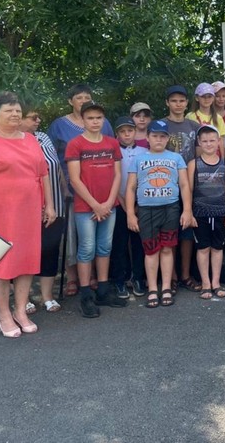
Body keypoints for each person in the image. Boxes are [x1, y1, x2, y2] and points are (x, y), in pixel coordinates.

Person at [0, 92, 55, 337]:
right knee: (0, 264)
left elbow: (43, 174)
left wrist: (49, 205)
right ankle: (4, 314)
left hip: (29, 213)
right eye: (8, 110)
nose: (15, 114)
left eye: (17, 110)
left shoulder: (30, 140)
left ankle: (20, 310)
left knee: (27, 262)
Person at [48, 84, 115, 296]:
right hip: (72, 189)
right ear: (71, 101)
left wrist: (107, 201)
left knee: (101, 242)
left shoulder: (105, 126)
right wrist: (63, 186)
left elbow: (114, 162)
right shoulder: (60, 126)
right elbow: (51, 158)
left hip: (104, 193)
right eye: (79, 97)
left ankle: (96, 278)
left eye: (87, 97)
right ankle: (73, 278)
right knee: (75, 238)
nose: (84, 100)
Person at [66, 101, 125, 318]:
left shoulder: (112, 143)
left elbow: (117, 175)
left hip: (109, 206)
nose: (95, 122)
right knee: (87, 248)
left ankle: (102, 290)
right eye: (90, 118)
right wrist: (95, 205)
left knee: (104, 247)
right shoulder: (75, 144)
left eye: (99, 118)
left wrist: (108, 203)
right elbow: (74, 179)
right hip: (86, 207)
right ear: (82, 120)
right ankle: (85, 296)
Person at [126, 119, 194, 308]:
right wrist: (130, 214)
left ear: (168, 138)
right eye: (155, 136)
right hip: (146, 209)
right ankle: (152, 289)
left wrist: (187, 210)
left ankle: (166, 287)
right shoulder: (138, 159)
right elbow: (131, 187)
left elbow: (184, 185)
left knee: (167, 248)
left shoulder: (175, 158)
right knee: (151, 250)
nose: (158, 139)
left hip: (170, 208)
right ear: (148, 137)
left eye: (162, 136)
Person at [21, 106, 66, 313]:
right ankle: (23, 298)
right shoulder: (13, 141)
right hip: (25, 208)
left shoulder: (44, 137)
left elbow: (55, 166)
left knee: (50, 249)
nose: (38, 121)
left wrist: (65, 191)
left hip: (54, 204)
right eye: (33, 118)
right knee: (23, 253)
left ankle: (47, 296)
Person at [189, 125, 225, 300]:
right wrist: (189, 213)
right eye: (205, 141)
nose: (209, 144)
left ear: (218, 142)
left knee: (217, 248)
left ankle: (216, 283)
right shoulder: (193, 164)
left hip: (220, 213)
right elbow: (188, 191)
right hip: (200, 213)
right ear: (199, 143)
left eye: (212, 141)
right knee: (203, 248)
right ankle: (205, 283)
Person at [162, 85, 202, 293]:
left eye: (181, 100)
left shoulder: (194, 126)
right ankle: (172, 276)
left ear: (187, 103)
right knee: (169, 231)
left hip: (189, 183)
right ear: (167, 103)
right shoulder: (161, 125)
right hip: (166, 184)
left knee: (187, 231)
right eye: (174, 100)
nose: (178, 104)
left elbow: (198, 155)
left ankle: (186, 274)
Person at [111, 116, 146, 298]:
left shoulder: (144, 151)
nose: (126, 135)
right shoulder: (112, 151)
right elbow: (112, 179)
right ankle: (120, 279)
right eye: (122, 131)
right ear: (117, 134)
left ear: (135, 132)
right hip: (119, 203)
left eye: (130, 131)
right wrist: (124, 203)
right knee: (119, 243)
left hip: (141, 203)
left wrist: (137, 204)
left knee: (139, 243)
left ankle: (138, 277)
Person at [187, 83, 225, 155]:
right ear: (197, 98)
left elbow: (221, 140)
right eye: (203, 96)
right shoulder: (190, 116)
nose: (206, 99)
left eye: (209, 96)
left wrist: (222, 159)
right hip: (196, 155)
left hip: (215, 156)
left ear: (213, 98)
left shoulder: (218, 118)